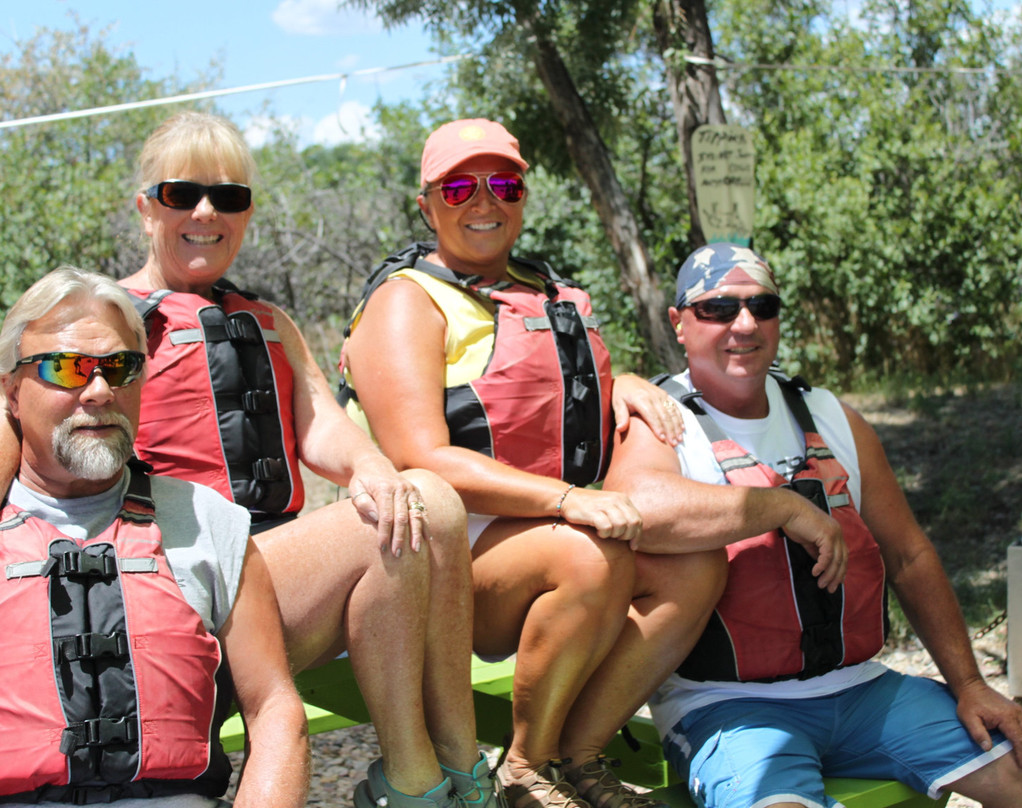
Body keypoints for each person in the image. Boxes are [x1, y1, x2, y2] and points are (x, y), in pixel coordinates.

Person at [339, 119, 844, 808]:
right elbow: (416, 456)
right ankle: (523, 768)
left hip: (537, 538)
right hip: (442, 564)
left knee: (695, 566)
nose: (483, 200)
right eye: (459, 186)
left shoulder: (543, 292)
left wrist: (623, 383)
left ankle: (577, 756)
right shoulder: (408, 303)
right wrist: (567, 500)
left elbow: (552, 391)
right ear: (427, 205)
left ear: (523, 197)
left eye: (504, 184)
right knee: (591, 555)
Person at [0, 112, 489, 808]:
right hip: (169, 572)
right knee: (424, 509)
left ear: (248, 212)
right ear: (146, 208)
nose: (206, 212)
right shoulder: (106, 333)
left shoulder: (270, 321)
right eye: (182, 195)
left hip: (270, 570)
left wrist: (371, 467)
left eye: (228, 197)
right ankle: (425, 783)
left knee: (417, 501)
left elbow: (320, 425)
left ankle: (443, 773)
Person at [602, 243, 1022, 808]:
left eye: (761, 307)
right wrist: (780, 506)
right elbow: (635, 506)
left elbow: (909, 556)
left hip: (861, 689)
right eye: (718, 308)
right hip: (724, 703)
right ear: (680, 323)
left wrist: (969, 685)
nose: (743, 325)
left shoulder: (829, 415)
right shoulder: (662, 419)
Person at [0, 267, 309, 808]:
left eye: (121, 367)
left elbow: (275, 711)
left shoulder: (208, 520)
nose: (99, 391)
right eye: (67, 368)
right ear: (11, 390)